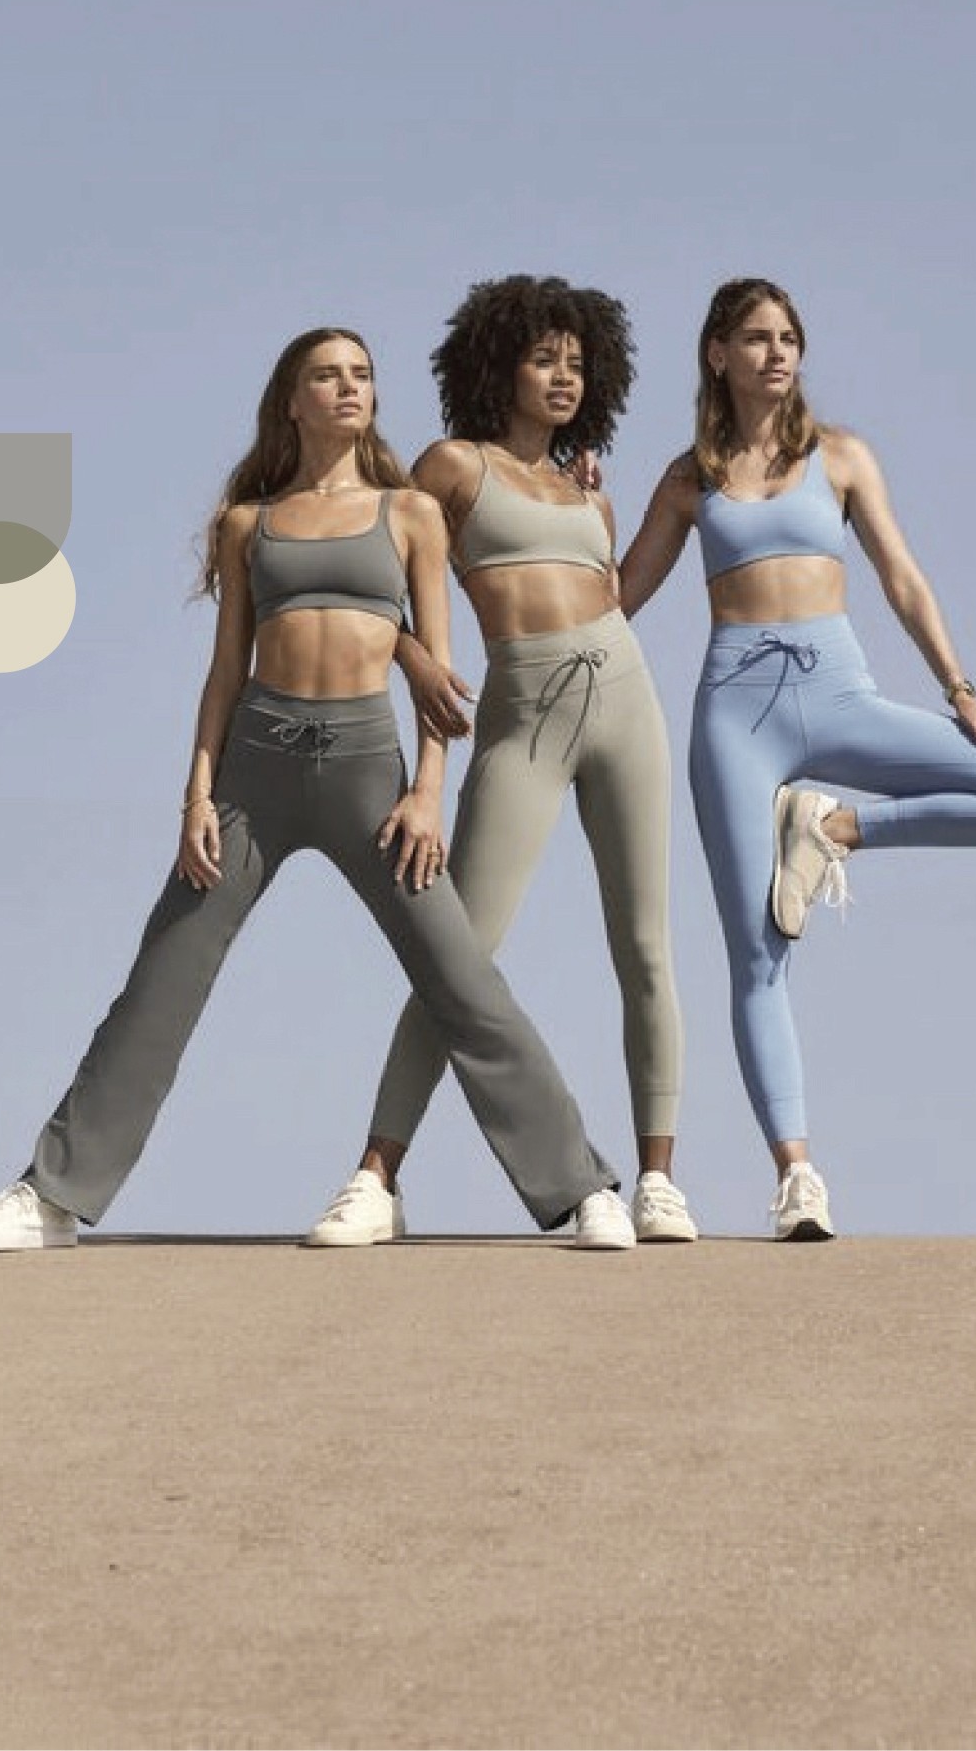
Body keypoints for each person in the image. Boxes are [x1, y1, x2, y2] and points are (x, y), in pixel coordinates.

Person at [0, 325, 637, 1253]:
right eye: (328, 374)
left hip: (367, 770)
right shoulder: (249, 523)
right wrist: (195, 797)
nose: (348, 387)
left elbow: (435, 664)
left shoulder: (409, 513)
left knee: (460, 976)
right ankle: (50, 1194)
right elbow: (224, 673)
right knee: (161, 980)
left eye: (361, 374)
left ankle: (583, 1187)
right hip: (254, 770)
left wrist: (428, 791)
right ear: (293, 398)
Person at [618, 278, 976, 1241]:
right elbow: (619, 597)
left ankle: (835, 827)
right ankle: (797, 1178)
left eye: (789, 338)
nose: (777, 353)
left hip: (841, 694)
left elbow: (902, 576)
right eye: (755, 338)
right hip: (735, 714)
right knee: (756, 953)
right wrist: (571, 524)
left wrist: (958, 688)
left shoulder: (843, 456)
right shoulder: (685, 478)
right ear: (716, 355)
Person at [302, 276, 696, 1247]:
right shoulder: (451, 468)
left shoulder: (584, 492)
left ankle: (657, 1179)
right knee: (459, 949)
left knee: (645, 945)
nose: (564, 376)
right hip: (519, 711)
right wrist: (414, 658)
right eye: (543, 358)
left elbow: (601, 594)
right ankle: (375, 1179)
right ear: (497, 365)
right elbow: (364, 579)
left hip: (626, 695)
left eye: (577, 362)